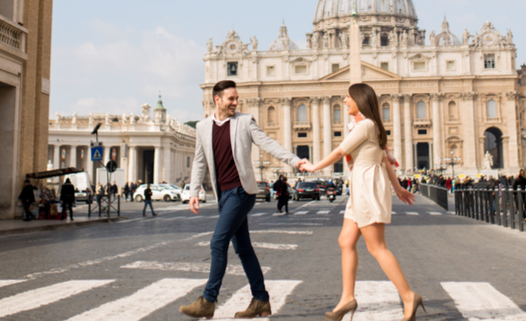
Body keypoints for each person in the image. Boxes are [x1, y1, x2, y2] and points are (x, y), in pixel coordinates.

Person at [179, 80, 309, 319]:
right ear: (217, 99)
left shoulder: (244, 121)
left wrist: (294, 160)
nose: (235, 103)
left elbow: (268, 144)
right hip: (223, 194)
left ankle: (208, 300)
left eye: (236, 98)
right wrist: (194, 191)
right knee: (243, 248)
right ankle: (260, 299)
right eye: (231, 99)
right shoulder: (202, 127)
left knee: (218, 243)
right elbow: (200, 160)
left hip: (241, 192)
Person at [301, 83, 423, 321]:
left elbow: (339, 151)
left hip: (367, 185)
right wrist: (397, 188)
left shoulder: (365, 125)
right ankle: (347, 298)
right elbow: (385, 159)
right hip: (361, 184)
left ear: (359, 99)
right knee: (346, 241)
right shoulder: (368, 126)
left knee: (376, 246)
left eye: (347, 97)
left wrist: (314, 167)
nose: (344, 101)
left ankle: (409, 296)